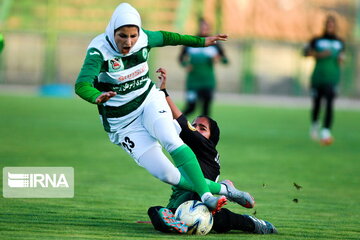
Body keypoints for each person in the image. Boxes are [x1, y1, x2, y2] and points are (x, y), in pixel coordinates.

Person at [75, 3, 251, 213]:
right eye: (122, 36)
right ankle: (224, 190)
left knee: (170, 138)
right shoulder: (99, 51)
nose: (129, 42)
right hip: (122, 124)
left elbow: (170, 37)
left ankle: (206, 196)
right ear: (112, 30)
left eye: (133, 35)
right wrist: (97, 96)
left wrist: (201, 42)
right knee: (166, 174)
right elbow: (81, 84)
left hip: (148, 101)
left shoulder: (144, 39)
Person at [147, 68, 276, 234]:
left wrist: (163, 92)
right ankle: (174, 219)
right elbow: (172, 121)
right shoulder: (190, 147)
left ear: (211, 138)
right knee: (155, 211)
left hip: (198, 198)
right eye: (195, 125)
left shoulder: (206, 147)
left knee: (220, 220)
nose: (196, 129)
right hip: (180, 201)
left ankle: (252, 222)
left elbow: (180, 120)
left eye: (203, 128)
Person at [304, 15, 345, 145]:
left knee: (330, 103)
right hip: (318, 77)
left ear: (335, 27)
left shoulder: (340, 42)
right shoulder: (316, 40)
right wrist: (320, 54)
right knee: (317, 103)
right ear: (325, 25)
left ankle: (326, 131)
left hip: (332, 78)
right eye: (328, 24)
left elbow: (341, 58)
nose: (330, 27)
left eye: (332, 25)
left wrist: (341, 60)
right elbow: (305, 53)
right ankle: (315, 124)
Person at [179, 18, 228, 116]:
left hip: (207, 82)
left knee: (206, 110)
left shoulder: (214, 43)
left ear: (209, 29)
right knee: (190, 107)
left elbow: (225, 60)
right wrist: (186, 64)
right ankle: (175, 123)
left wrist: (218, 58)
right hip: (193, 82)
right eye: (202, 27)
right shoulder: (192, 41)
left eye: (206, 27)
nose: (204, 29)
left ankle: (202, 130)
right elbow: (181, 58)